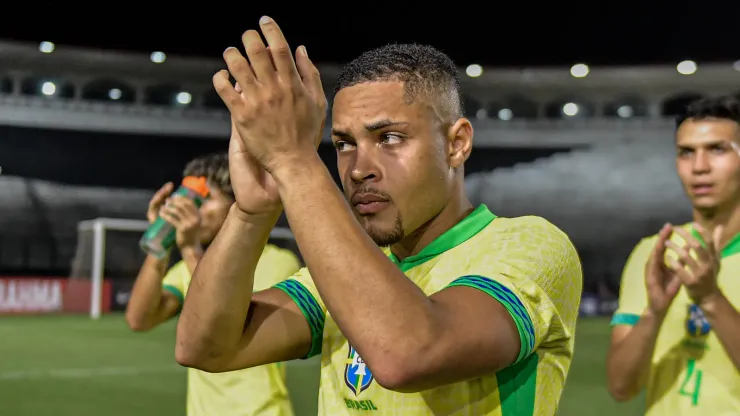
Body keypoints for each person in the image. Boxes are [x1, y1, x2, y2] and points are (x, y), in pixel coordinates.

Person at [175, 17, 582, 415]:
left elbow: (408, 353)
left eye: (389, 137)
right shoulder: (347, 269)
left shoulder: (530, 246)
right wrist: (251, 213)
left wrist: (294, 161)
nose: (358, 168)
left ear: (456, 144)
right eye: (344, 143)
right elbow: (204, 346)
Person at [125, 153, 301, 416]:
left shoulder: (277, 261)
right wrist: (160, 240)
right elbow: (140, 319)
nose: (193, 210)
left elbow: (230, 324)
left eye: (204, 200)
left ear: (238, 203)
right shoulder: (189, 265)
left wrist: (190, 250)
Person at [607, 96, 740, 415]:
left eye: (718, 150)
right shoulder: (653, 253)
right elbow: (622, 387)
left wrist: (710, 299)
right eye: (686, 153)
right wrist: (654, 311)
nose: (700, 167)